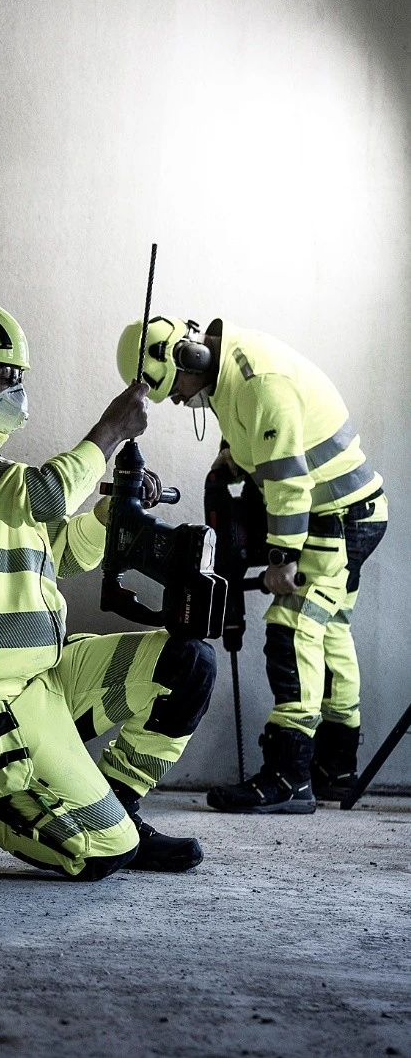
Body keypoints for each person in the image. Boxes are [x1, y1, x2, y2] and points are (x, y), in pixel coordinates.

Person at [0, 298, 217, 879]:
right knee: (99, 854)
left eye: (19, 377)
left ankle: (121, 811)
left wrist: (110, 514)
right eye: (4, 376)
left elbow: (60, 554)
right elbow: (46, 495)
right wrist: (109, 432)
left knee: (188, 664)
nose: (17, 390)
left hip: (47, 677)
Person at [117, 316, 388, 812]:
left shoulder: (259, 384)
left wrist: (282, 557)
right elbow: (261, 441)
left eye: (173, 389)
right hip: (349, 511)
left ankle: (289, 776)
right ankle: (336, 768)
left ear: (189, 358)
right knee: (330, 630)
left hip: (336, 517)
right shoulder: (230, 374)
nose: (176, 400)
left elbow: (287, 478)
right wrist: (233, 459)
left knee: (294, 626)